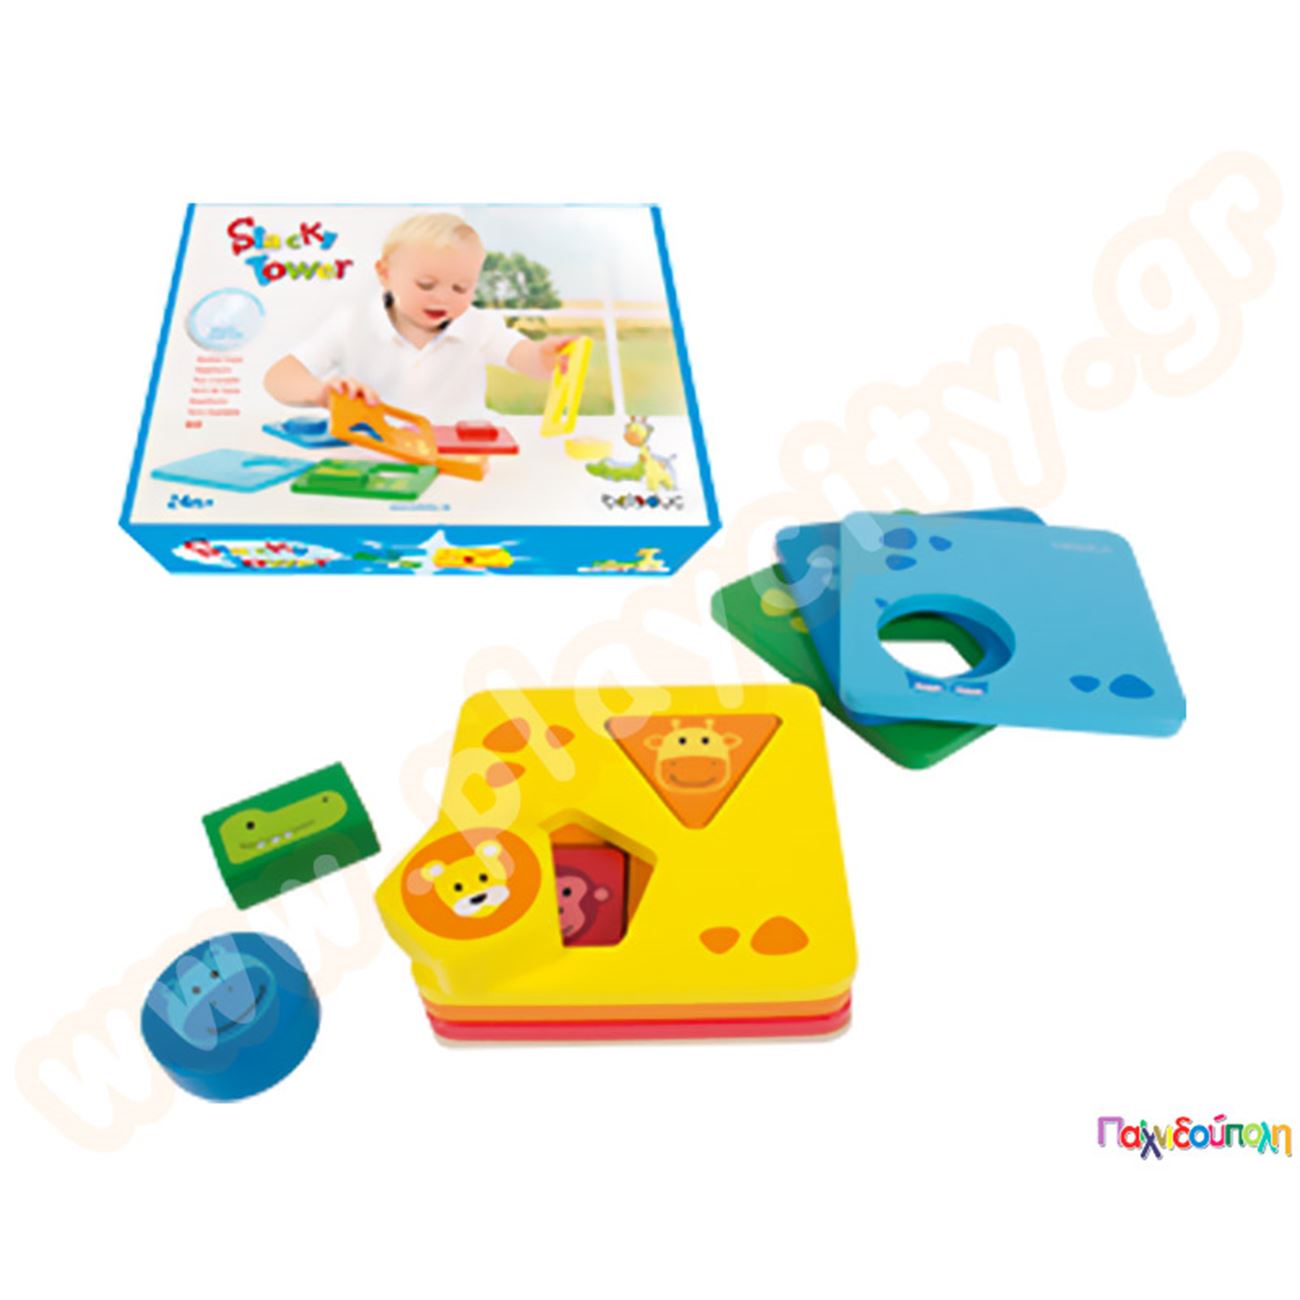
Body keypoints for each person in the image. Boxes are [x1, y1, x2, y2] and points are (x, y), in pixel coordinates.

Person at [263, 212, 569, 420]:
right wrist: (321, 392)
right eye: (425, 284)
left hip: (458, 457)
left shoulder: (480, 324)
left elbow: (522, 356)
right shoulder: (352, 322)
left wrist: (543, 360)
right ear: (385, 274)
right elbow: (278, 377)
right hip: (372, 455)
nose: (443, 298)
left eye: (461, 288)